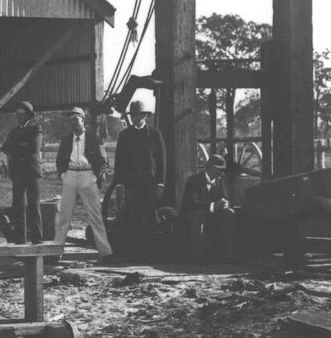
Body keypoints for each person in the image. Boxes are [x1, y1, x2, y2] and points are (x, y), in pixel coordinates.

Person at [54, 108, 113, 263]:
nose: (74, 123)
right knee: (64, 216)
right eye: (71, 121)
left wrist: (94, 176)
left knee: (95, 216)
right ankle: (55, 252)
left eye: (76, 120)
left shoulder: (94, 138)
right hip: (71, 176)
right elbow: (60, 161)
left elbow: (103, 161)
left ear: (83, 119)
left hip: (88, 176)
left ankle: (105, 252)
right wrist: (63, 175)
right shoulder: (66, 140)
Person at [112, 100, 167, 257]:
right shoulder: (125, 135)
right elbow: (119, 161)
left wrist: (160, 183)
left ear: (145, 116)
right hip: (131, 183)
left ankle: (151, 253)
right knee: (132, 216)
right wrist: (119, 183)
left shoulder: (155, 134)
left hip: (150, 183)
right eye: (134, 115)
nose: (137, 118)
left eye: (140, 115)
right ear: (131, 116)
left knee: (150, 216)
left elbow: (162, 160)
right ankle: (133, 253)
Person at [180, 154, 236, 261]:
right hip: (191, 215)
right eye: (220, 170)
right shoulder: (194, 180)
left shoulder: (219, 180)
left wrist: (225, 203)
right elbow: (192, 203)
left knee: (230, 213)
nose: (222, 173)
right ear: (211, 169)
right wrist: (213, 206)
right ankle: (197, 255)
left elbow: (223, 197)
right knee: (199, 214)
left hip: (210, 215)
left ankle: (225, 253)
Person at [2, 101, 44, 244]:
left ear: (28, 116)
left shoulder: (36, 129)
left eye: (21, 114)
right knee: (18, 207)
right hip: (18, 173)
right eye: (17, 114)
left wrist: (16, 147)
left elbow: (34, 147)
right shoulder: (14, 131)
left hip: (32, 172)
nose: (18, 117)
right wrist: (22, 146)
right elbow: (5, 147)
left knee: (34, 206)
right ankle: (20, 240)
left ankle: (37, 240)